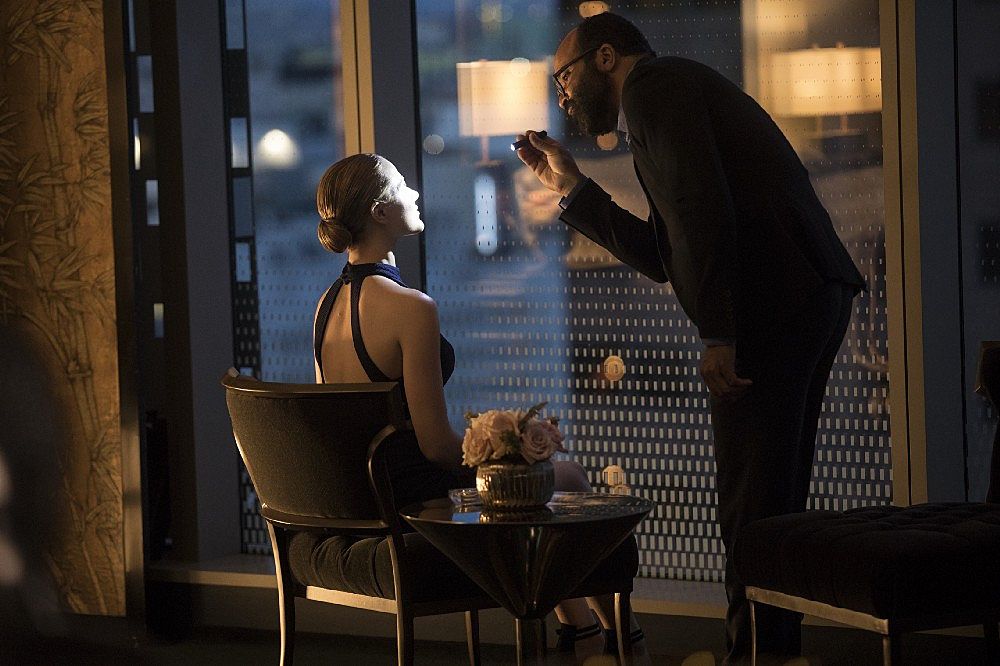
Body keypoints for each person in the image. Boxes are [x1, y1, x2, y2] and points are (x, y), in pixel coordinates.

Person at [515, 12, 865, 664]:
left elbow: (703, 210)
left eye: (563, 78)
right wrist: (573, 187)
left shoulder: (654, 89)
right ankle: (769, 653)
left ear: (605, 57)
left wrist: (720, 333)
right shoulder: (670, 94)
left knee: (750, 509)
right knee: (769, 507)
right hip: (804, 293)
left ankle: (754, 656)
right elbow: (665, 252)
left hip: (773, 304)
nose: (561, 98)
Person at [303, 153, 648, 663]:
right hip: (416, 503)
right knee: (568, 478)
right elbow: (437, 447)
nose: (414, 193)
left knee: (546, 483)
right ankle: (622, 638)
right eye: (402, 186)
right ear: (379, 212)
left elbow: (342, 426)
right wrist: (506, 450)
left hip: (369, 499)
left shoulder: (324, 306)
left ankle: (586, 633)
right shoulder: (410, 307)